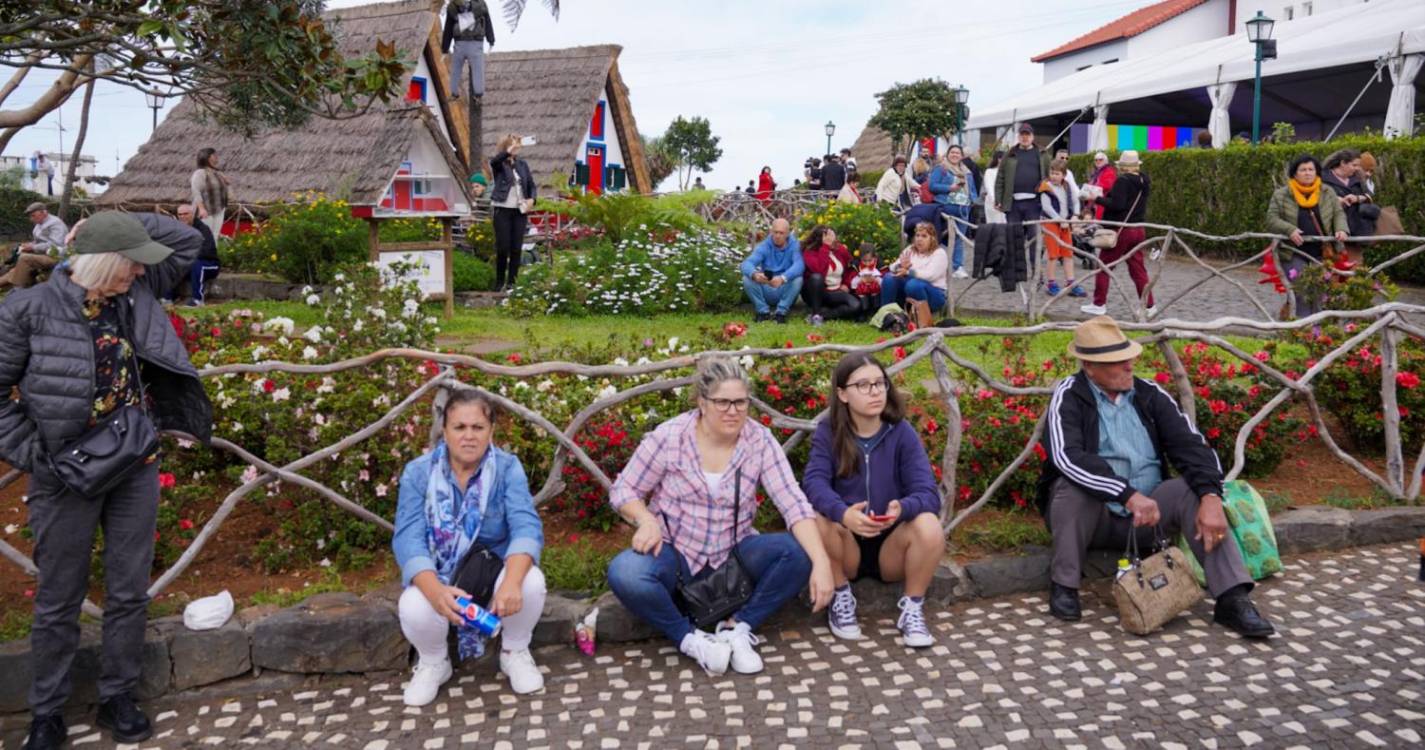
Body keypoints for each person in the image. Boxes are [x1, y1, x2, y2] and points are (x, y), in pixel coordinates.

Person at [1, 211, 210, 750]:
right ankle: (46, 711)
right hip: (62, 473)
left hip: (133, 463)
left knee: (128, 590)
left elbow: (187, 239)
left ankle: (118, 696)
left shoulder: (135, 294)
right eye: (129, 266)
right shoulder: (27, 310)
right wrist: (36, 455)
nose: (139, 274)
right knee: (58, 597)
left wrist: (109, 220)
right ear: (100, 266)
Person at [1036, 316, 1276, 639]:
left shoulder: (1150, 395)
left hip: (1151, 516)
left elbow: (1192, 446)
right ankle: (1064, 584)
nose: (1127, 366)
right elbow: (1068, 457)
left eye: (1127, 358)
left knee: (1194, 494)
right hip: (1096, 517)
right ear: (1089, 367)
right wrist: (1126, 494)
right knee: (1071, 488)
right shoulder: (1069, 395)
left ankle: (1232, 598)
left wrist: (1211, 497)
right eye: (1115, 363)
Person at [606, 357, 835, 676]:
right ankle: (690, 639)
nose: (733, 411)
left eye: (741, 402)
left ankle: (737, 629)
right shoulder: (670, 437)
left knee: (799, 554)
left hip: (734, 557)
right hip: (677, 553)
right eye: (723, 402)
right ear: (702, 402)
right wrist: (646, 520)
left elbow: (793, 503)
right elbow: (624, 489)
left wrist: (822, 562)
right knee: (626, 572)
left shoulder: (759, 441)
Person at [392, 390, 547, 705]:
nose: (468, 436)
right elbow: (408, 538)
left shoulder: (507, 468)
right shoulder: (419, 473)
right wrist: (435, 591)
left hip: (493, 571)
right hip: (442, 577)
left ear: (490, 431)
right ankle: (435, 662)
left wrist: (512, 583)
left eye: (477, 427)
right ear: (444, 432)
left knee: (531, 581)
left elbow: (525, 526)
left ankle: (514, 650)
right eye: (459, 427)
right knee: (413, 604)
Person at [803, 353, 945, 647]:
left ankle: (913, 608)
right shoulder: (828, 432)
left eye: (880, 383)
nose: (876, 391)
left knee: (928, 524)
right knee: (818, 517)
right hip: (846, 546)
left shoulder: (901, 432)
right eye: (864, 385)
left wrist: (902, 508)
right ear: (842, 393)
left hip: (892, 547)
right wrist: (842, 513)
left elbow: (928, 492)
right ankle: (840, 596)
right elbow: (813, 484)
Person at [1267, 154, 1348, 318]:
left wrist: (1341, 229)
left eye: (1311, 169)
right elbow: (1271, 219)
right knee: (1303, 288)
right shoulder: (1282, 194)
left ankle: (1317, 327)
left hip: (1321, 251)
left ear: (1317, 172)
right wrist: (1289, 229)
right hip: (1292, 251)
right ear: (1294, 173)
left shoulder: (1327, 192)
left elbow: (1338, 214)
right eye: (1302, 170)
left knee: (1320, 289)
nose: (1307, 173)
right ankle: (1304, 328)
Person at [1082, 151, 1153, 317]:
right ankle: (1149, 305)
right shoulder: (1144, 180)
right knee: (1138, 270)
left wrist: (1096, 198)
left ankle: (1099, 303)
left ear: (1122, 166)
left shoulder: (1123, 180)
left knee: (1104, 266)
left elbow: (1117, 205)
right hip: (1138, 229)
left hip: (1122, 230)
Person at [489, 133, 536, 292]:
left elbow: (531, 185)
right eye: (513, 145)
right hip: (502, 209)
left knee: (516, 248)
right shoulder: (499, 164)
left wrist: (532, 200)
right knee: (503, 247)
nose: (517, 147)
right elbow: (494, 161)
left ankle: (512, 283)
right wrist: (509, 150)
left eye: (517, 145)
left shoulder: (522, 164)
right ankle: (499, 281)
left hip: (519, 210)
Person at [740, 218, 804, 324]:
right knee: (747, 278)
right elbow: (746, 263)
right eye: (775, 232)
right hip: (767, 285)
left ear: (787, 233)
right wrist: (755, 274)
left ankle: (781, 313)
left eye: (781, 233)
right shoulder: (764, 246)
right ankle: (763, 312)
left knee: (798, 279)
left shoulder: (795, 246)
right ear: (771, 232)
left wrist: (783, 278)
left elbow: (799, 265)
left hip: (785, 288)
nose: (778, 236)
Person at [928, 145, 977, 278]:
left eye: (957, 153)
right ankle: (934, 265)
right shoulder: (941, 168)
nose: (955, 155)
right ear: (948, 154)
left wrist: (973, 200)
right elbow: (932, 186)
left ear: (961, 156)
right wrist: (949, 187)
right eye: (952, 152)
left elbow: (972, 188)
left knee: (960, 238)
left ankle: (957, 267)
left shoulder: (967, 171)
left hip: (963, 208)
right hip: (946, 206)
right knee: (940, 237)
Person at [1040, 160, 1085, 298]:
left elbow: (1076, 201)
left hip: (1065, 224)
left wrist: (1075, 215)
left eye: (1057, 174)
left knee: (1068, 254)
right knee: (1053, 255)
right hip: (1051, 223)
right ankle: (1051, 283)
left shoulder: (1067, 186)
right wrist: (1060, 220)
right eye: (1052, 173)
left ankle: (1070, 282)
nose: (1053, 176)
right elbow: (1046, 207)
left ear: (1064, 175)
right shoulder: (1045, 187)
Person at [881, 221, 949, 313]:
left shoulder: (939, 253)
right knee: (889, 278)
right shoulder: (910, 249)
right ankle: (886, 315)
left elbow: (931, 275)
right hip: (909, 290)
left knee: (913, 285)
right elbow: (892, 267)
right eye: (917, 235)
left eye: (924, 236)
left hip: (935, 293)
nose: (919, 239)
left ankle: (923, 317)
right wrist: (900, 266)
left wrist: (908, 272)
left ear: (932, 239)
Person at [799, 225, 861, 324]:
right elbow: (820, 271)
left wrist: (846, 284)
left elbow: (851, 268)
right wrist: (825, 248)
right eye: (830, 238)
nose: (834, 241)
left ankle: (823, 314)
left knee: (855, 306)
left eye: (834, 237)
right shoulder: (809, 252)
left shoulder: (839, 249)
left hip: (836, 291)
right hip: (816, 293)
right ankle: (816, 314)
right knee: (816, 277)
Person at [993, 123, 1050, 229]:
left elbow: (1048, 177)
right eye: (1022, 135)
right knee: (1013, 235)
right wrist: (998, 199)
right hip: (1013, 202)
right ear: (1018, 137)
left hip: (1035, 202)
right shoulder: (1009, 154)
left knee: (1034, 235)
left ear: (1032, 137)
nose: (1025, 137)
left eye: (1027, 135)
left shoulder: (1042, 154)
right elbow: (1000, 178)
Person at [0, 202, 66, 291]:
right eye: (30, 216)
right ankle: (12, 280)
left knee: (24, 258)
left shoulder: (56, 224)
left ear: (44, 212)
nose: (31, 219)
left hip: (54, 256)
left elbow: (56, 244)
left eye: (33, 215)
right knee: (17, 252)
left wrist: (33, 247)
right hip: (42, 253)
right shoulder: (39, 224)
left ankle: (18, 289)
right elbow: (38, 241)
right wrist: (30, 244)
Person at [1322, 148, 1376, 259]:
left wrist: (1357, 198)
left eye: (1358, 165)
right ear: (1342, 163)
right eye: (1354, 165)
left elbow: (1368, 197)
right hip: (1334, 233)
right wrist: (1336, 200)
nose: (1357, 168)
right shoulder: (1323, 178)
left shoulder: (1358, 177)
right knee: (1333, 269)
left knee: (1355, 270)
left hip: (1356, 232)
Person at [441, 0, 496, 100]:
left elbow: (487, 21)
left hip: (470, 42)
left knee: (469, 69)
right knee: (465, 69)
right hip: (465, 43)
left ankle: (468, 94)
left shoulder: (479, 5)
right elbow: (448, 27)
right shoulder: (453, 7)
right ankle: (459, 93)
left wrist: (491, 40)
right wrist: (445, 48)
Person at [172, 204, 220, 306]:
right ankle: (168, 298)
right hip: (188, 265)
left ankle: (197, 300)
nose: (183, 217)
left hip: (209, 263)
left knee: (195, 264)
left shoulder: (203, 229)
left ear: (192, 214)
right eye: (180, 214)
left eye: (186, 214)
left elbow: (207, 251)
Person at [189, 148, 229, 240]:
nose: (216, 157)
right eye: (214, 155)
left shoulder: (216, 173)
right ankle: (202, 254)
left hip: (219, 208)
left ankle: (212, 254)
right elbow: (196, 191)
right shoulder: (200, 173)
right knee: (205, 236)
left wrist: (225, 181)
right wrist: (202, 209)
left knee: (214, 236)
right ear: (207, 157)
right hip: (206, 209)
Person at [1086, 151, 1117, 221]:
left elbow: (1108, 185)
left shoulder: (1109, 171)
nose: (1098, 161)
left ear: (1106, 161)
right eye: (1096, 160)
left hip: (1102, 203)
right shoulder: (1096, 172)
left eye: (1100, 159)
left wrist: (1091, 188)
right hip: (1093, 203)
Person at [982, 150, 1006, 224]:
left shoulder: (1007, 172)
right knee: (994, 225)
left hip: (1006, 204)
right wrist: (996, 201)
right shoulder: (990, 171)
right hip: (993, 203)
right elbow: (989, 188)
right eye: (1001, 158)